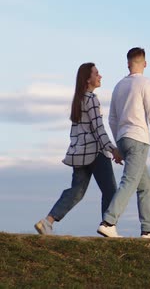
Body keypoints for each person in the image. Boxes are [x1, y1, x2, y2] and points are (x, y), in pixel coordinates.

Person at [34, 63, 123, 235]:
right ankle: (108, 227)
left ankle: (48, 221)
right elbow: (99, 129)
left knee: (76, 192)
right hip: (96, 153)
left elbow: (76, 133)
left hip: (79, 154)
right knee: (110, 191)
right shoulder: (91, 99)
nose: (100, 76)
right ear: (88, 79)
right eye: (97, 73)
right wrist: (113, 150)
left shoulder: (78, 100)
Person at [97, 47, 150, 239]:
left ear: (128, 64)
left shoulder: (119, 86)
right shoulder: (146, 83)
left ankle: (149, 229)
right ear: (145, 63)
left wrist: (118, 144)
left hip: (123, 139)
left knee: (145, 184)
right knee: (129, 181)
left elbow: (111, 119)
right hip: (138, 139)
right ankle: (108, 222)